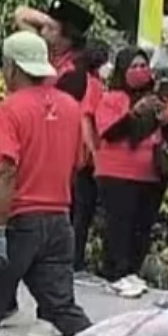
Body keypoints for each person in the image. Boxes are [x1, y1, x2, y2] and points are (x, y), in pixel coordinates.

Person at [0, 32, 92, 336]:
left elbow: (5, 170)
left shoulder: (10, 109)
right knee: (61, 306)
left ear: (11, 67)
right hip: (58, 219)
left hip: (19, 220)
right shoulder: (70, 106)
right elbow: (82, 160)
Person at [94, 47, 168, 298]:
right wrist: (135, 113)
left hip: (150, 173)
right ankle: (115, 273)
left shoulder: (158, 99)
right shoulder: (112, 98)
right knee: (120, 224)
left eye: (144, 65)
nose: (140, 71)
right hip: (117, 172)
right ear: (122, 70)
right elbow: (109, 132)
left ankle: (132, 270)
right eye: (134, 66)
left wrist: (167, 121)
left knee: (142, 225)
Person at [72, 40, 110, 277]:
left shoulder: (82, 82)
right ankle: (75, 261)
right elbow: (86, 119)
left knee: (79, 210)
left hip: (79, 154)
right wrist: (94, 152)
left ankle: (75, 259)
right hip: (86, 158)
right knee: (83, 211)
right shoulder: (94, 85)